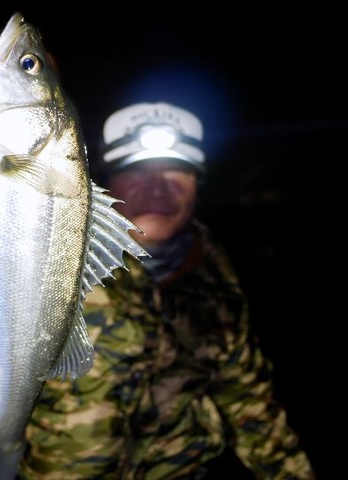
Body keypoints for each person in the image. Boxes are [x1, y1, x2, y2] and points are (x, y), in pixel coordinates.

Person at [18, 102, 317, 479]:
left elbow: (249, 406)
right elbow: (11, 183)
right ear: (104, 182)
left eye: (177, 171)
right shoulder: (47, 249)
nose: (158, 189)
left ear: (197, 187)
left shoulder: (217, 282)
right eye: (137, 170)